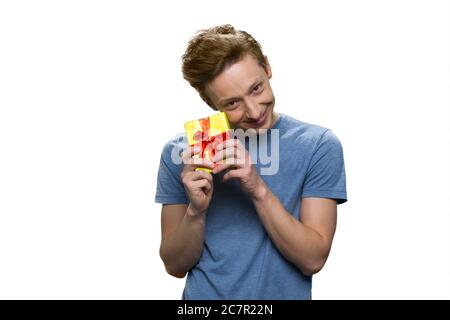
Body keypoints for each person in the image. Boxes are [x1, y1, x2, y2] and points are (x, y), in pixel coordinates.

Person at [155, 24, 347, 300]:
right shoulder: (181, 154)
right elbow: (174, 266)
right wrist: (195, 211)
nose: (255, 111)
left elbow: (313, 259)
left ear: (267, 67)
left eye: (256, 88)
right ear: (210, 103)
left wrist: (257, 189)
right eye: (232, 103)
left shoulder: (318, 145)